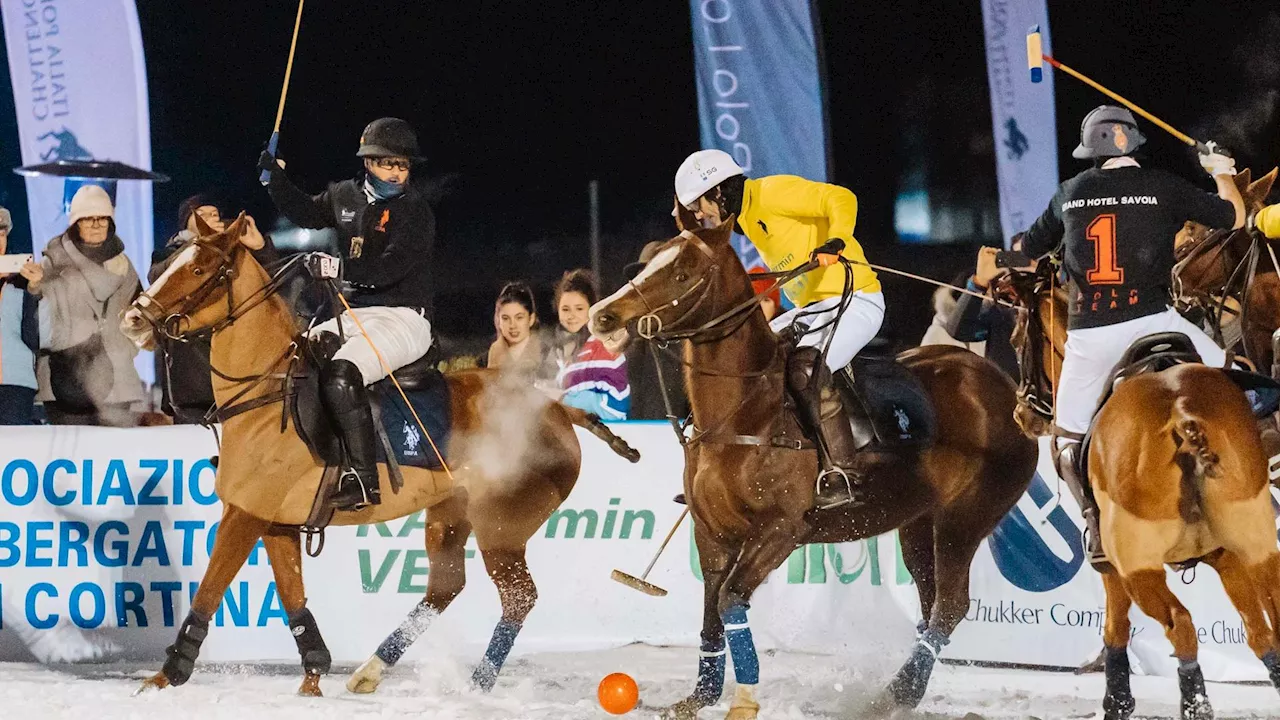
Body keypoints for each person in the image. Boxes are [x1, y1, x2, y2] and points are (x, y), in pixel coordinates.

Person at [1020, 105, 1244, 570]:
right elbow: (1233, 218)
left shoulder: (1070, 192)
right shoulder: (1161, 185)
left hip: (1091, 335)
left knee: (1066, 437)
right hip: (1155, 321)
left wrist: (1008, 253)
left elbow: (1028, 250)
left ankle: (1095, 523)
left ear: (1091, 153)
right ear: (1134, 142)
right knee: (1235, 378)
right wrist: (1220, 172)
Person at [674, 149, 884, 509]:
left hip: (856, 298)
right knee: (749, 361)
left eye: (700, 204)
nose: (700, 214)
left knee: (806, 370)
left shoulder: (771, 193)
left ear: (720, 192)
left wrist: (835, 241)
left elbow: (841, 197)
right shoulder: (746, 221)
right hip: (813, 308)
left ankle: (843, 473)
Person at [259, 117, 436, 510]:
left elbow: (391, 268)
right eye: (389, 163)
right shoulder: (344, 195)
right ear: (369, 163)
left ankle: (363, 481)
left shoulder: (416, 213)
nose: (396, 172)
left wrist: (339, 268)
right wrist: (275, 181)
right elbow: (305, 212)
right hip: (353, 313)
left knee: (340, 378)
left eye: (403, 165)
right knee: (286, 364)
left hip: (403, 316)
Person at [149, 194, 278, 424]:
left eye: (215, 214)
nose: (210, 218)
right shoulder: (167, 254)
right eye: (201, 214)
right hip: (191, 382)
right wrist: (202, 245)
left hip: (237, 377)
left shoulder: (231, 253)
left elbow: (268, 284)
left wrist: (260, 248)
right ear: (186, 221)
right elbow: (158, 277)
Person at [25, 185, 146, 427]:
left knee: (114, 459)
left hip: (116, 376)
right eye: (87, 218)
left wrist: (127, 348)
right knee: (71, 459)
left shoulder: (124, 266)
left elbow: (140, 315)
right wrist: (34, 288)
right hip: (65, 376)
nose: (96, 224)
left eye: (102, 218)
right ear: (75, 223)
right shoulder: (52, 264)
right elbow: (37, 314)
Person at [624, 240, 692, 422]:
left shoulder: (687, 331)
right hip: (636, 432)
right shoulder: (630, 329)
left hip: (677, 435)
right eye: (643, 276)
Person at [550, 270, 630, 420]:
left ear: (591, 309)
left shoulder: (604, 345)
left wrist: (561, 401)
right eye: (565, 309)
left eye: (579, 308)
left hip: (610, 434)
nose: (571, 315)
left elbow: (616, 407)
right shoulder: (574, 350)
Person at [0, 207, 41, 424]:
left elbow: (37, 337)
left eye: (1, 233)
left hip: (15, 386)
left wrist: (37, 291)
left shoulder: (22, 282)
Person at [486, 281, 547, 376]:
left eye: (519, 318)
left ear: (531, 319)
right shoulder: (486, 358)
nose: (512, 325)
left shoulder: (547, 353)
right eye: (505, 318)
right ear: (498, 320)